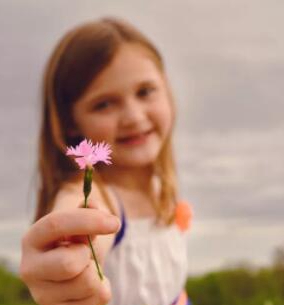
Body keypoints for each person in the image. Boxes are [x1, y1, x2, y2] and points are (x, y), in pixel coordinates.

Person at [20, 16, 191, 305]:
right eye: (104, 104)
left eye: (145, 91)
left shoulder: (161, 190)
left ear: (167, 89)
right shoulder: (93, 194)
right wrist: (64, 266)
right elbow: (77, 220)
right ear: (70, 123)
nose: (134, 117)